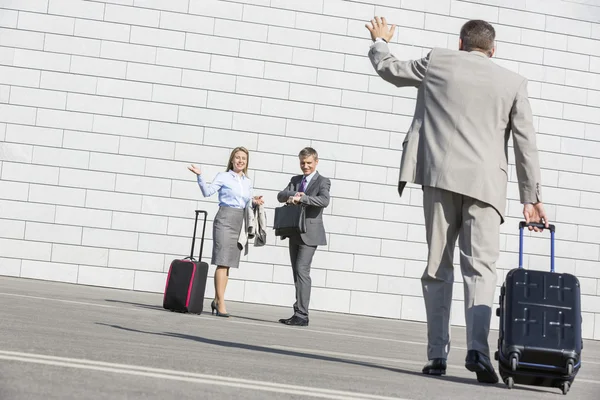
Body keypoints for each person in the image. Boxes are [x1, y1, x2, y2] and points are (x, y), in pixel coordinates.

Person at [366, 17, 549, 383]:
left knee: (438, 268)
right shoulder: (512, 83)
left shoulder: (438, 61)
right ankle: (478, 350)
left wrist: (381, 42)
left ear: (461, 43)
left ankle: (436, 356)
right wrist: (531, 197)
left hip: (439, 177)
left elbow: (390, 69)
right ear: (493, 49)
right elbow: (525, 143)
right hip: (486, 187)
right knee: (480, 269)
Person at [188, 146, 264, 318]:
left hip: (240, 221)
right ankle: (221, 302)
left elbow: (246, 202)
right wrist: (200, 176)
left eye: (243, 158)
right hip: (225, 219)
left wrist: (255, 201)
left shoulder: (247, 181)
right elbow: (207, 193)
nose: (240, 160)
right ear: (231, 160)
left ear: (246, 162)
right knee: (222, 261)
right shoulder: (223, 177)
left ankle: (217, 299)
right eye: (237, 157)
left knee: (228, 263)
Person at [276, 147, 331, 327]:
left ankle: (302, 314)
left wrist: (303, 198)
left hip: (310, 233)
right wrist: (294, 195)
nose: (305, 166)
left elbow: (324, 201)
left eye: (308, 163)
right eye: (302, 163)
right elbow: (281, 195)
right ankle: (298, 312)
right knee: (297, 272)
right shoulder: (295, 180)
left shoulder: (323, 181)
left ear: (316, 162)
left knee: (302, 270)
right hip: (294, 231)